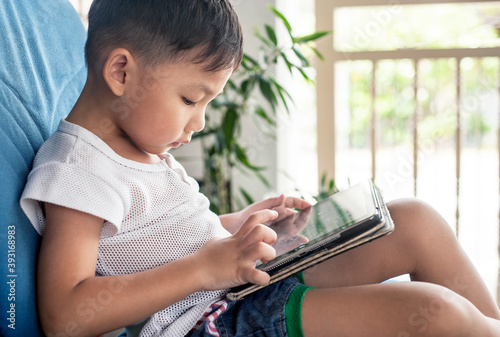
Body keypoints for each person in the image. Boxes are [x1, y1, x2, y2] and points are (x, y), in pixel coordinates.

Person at [19, 0, 500, 336]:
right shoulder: (78, 171)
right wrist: (207, 267)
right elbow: (66, 315)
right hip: (211, 319)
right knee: (435, 314)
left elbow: (161, 238)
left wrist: (244, 224)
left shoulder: (141, 148)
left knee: (416, 222)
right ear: (121, 71)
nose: (200, 121)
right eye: (191, 98)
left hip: (234, 283)